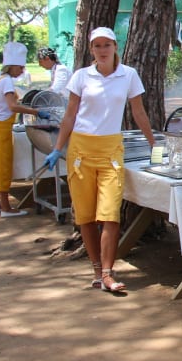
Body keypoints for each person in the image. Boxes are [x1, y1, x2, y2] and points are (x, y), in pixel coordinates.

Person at [42, 27, 156, 293]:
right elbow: (70, 114)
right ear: (91, 49)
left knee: (110, 214)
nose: (102, 50)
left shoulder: (128, 75)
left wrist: (153, 143)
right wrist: (58, 148)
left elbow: (139, 112)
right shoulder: (82, 76)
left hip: (110, 151)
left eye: (107, 45)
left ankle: (107, 272)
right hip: (81, 150)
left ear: (116, 46)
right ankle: (96, 271)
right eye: (97, 46)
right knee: (86, 216)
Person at [0, 41, 51, 217]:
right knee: (3, 167)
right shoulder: (6, 81)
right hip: (1, 130)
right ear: (13, 65)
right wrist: (35, 111)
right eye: (21, 68)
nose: (22, 71)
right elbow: (13, 106)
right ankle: (6, 207)